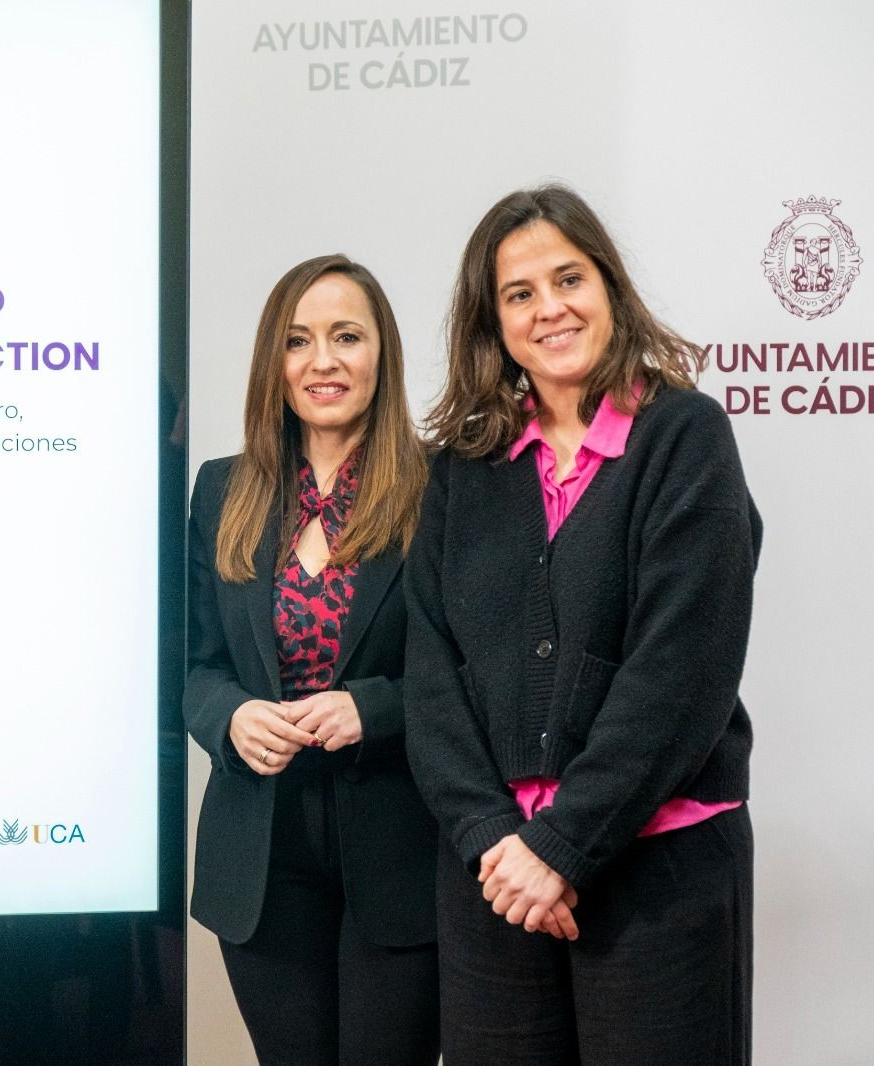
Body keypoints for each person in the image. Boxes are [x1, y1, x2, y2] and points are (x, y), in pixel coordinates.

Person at [405, 185, 759, 1065]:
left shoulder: (685, 437)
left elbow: (682, 671)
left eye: (569, 279)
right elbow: (431, 675)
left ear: (609, 287)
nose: (550, 308)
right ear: (494, 323)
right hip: (495, 879)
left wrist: (561, 846)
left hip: (657, 870)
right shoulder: (463, 468)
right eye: (519, 293)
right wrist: (498, 843)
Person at [185, 254, 440, 1064]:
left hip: (401, 847)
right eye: (298, 341)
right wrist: (231, 717)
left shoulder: (441, 488)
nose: (322, 361)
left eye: (346, 337)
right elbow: (194, 667)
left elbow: (478, 674)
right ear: (275, 361)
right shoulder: (221, 490)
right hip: (261, 854)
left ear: (382, 353)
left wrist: (375, 707)